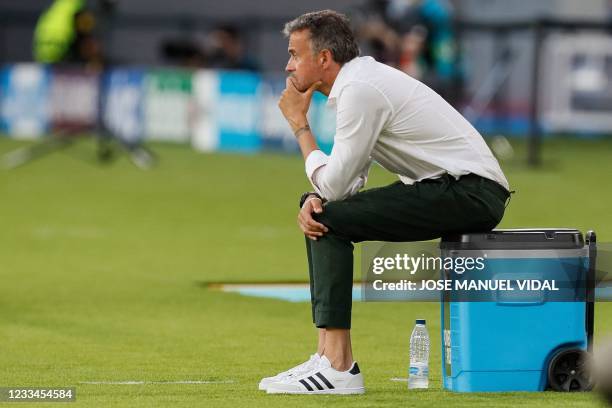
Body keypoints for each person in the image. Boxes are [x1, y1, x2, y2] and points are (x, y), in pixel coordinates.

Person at [261, 9, 510, 395]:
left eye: (295, 54)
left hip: (469, 191)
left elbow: (339, 186)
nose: (288, 64)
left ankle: (338, 366)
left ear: (324, 59)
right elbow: (350, 179)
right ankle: (327, 356)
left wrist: (300, 127)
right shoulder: (361, 82)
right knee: (320, 208)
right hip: (461, 188)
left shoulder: (360, 89)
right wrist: (316, 195)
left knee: (328, 216)